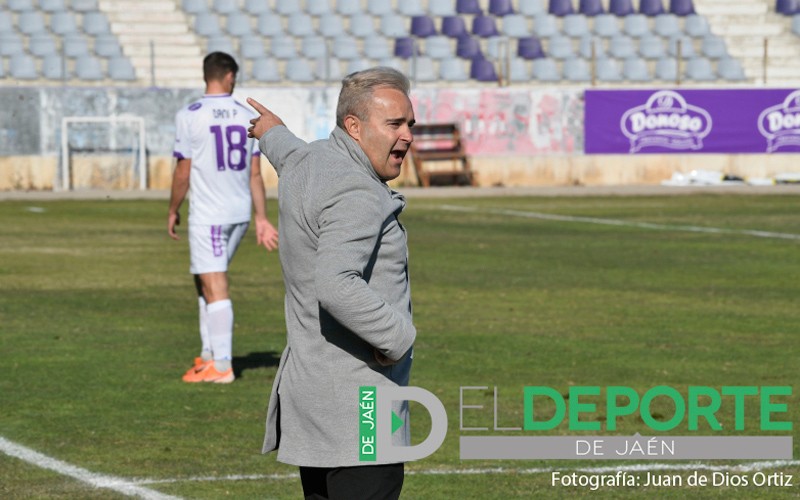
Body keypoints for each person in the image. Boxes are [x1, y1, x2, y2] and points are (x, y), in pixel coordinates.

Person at [247, 67, 416, 499]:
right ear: (354, 128)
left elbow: (287, 152)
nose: (407, 136)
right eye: (394, 124)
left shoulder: (311, 160)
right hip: (362, 409)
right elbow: (337, 282)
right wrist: (397, 336)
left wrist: (270, 131)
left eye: (409, 124)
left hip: (315, 407)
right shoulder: (358, 189)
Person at [168, 52, 278, 384]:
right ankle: (208, 356)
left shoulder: (190, 115)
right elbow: (255, 174)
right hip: (238, 213)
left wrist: (173, 209)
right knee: (204, 279)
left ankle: (223, 365)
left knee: (215, 285)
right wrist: (262, 217)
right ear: (229, 76)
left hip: (209, 215)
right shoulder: (247, 114)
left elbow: (183, 173)